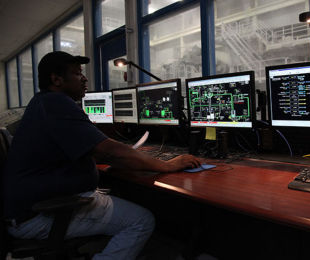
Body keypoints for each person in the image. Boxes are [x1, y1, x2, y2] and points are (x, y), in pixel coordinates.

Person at [2, 51, 201, 259]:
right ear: (56, 79)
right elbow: (108, 152)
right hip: (39, 215)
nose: (85, 78)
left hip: (36, 208)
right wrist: (167, 165)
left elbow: (92, 151)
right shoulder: (55, 103)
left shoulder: (43, 103)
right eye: (77, 73)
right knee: (140, 221)